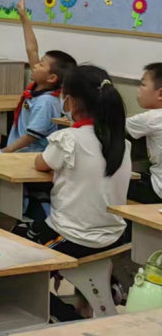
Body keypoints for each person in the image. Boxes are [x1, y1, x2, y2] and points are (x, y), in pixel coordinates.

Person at [24, 65, 132, 321]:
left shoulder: (68, 138)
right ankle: (106, 289)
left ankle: (64, 317)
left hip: (74, 235)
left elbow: (41, 163)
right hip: (114, 234)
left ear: (70, 101)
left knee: (14, 258)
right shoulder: (121, 143)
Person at [4, 0, 76, 153]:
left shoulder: (46, 101)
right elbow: (32, 50)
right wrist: (24, 18)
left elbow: (32, 136)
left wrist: (6, 151)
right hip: (19, 153)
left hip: (28, 155)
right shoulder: (38, 87)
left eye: (41, 64)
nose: (35, 65)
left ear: (52, 78)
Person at [126, 63, 162, 204]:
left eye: (142, 85)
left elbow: (114, 125)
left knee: (113, 185)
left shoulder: (151, 118)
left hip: (158, 190)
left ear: (160, 94)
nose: (138, 90)